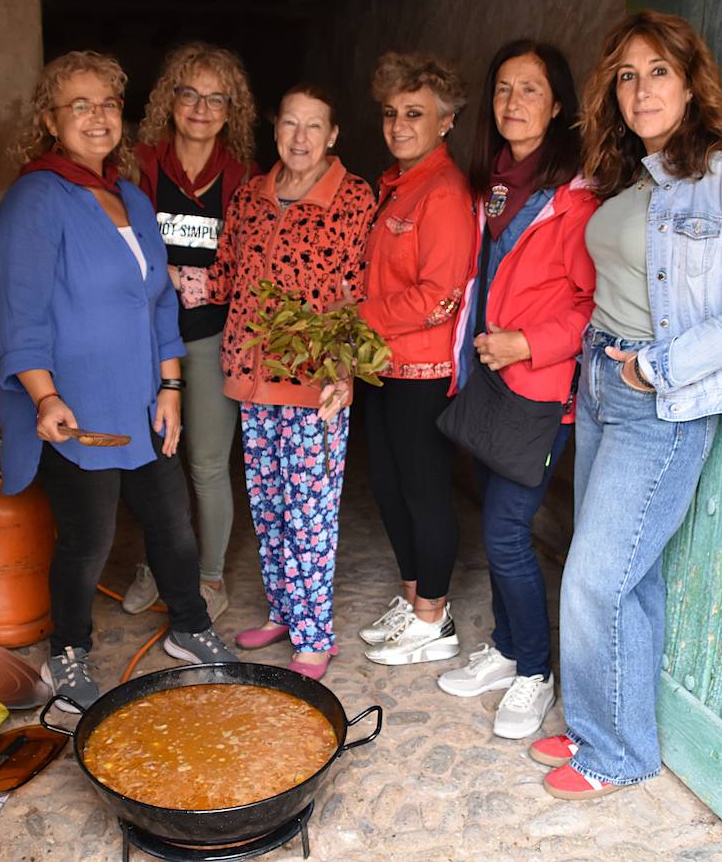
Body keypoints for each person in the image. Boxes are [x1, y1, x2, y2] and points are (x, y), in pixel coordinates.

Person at [534, 10, 722, 800]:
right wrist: (605, 368)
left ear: (691, 82)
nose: (641, 88)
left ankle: (612, 758)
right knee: (631, 583)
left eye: (659, 72)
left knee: (594, 579)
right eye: (628, 75)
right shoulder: (632, 177)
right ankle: (611, 735)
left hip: (661, 402)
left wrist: (657, 367)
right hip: (601, 381)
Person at [0, 50, 237, 711]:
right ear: (49, 120)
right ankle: (66, 650)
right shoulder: (36, 200)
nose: (98, 117)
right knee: (89, 538)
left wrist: (174, 390)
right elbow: (20, 311)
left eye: (108, 104)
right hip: (79, 409)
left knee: (172, 523)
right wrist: (45, 397)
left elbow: (159, 303)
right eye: (80, 105)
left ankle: (189, 626)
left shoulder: (128, 196)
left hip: (142, 400)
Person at [181, 84, 374, 681]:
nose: (299, 138)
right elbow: (228, 275)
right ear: (276, 130)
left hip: (315, 382)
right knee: (268, 507)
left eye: (313, 126)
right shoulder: (251, 197)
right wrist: (180, 280)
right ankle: (285, 612)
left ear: (333, 135)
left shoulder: (353, 198)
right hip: (250, 376)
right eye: (289, 123)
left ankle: (315, 638)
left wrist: (345, 370)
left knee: (310, 510)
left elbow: (357, 293)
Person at [435, 40, 597, 740]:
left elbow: (593, 305)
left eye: (530, 90)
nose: (513, 102)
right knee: (498, 529)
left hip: (539, 390)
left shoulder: (576, 200)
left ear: (557, 105)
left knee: (504, 534)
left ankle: (534, 669)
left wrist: (527, 343)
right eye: (503, 88)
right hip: (486, 381)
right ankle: (505, 650)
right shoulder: (490, 187)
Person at [127, 42, 259, 623]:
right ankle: (155, 567)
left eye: (216, 98)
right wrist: (166, 272)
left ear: (232, 110)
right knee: (149, 461)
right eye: (189, 94)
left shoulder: (246, 179)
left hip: (209, 337)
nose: (201, 108)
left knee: (206, 464)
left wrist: (211, 281)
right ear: (169, 101)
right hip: (140, 339)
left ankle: (208, 577)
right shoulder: (140, 164)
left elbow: (257, 264)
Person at [353, 52, 474, 666]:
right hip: (382, 366)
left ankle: (436, 615)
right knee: (390, 487)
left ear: (445, 120)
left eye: (415, 114)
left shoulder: (444, 192)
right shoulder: (395, 185)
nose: (400, 125)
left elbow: (440, 296)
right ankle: (411, 598)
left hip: (422, 369)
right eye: (392, 113)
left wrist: (357, 321)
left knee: (424, 491)